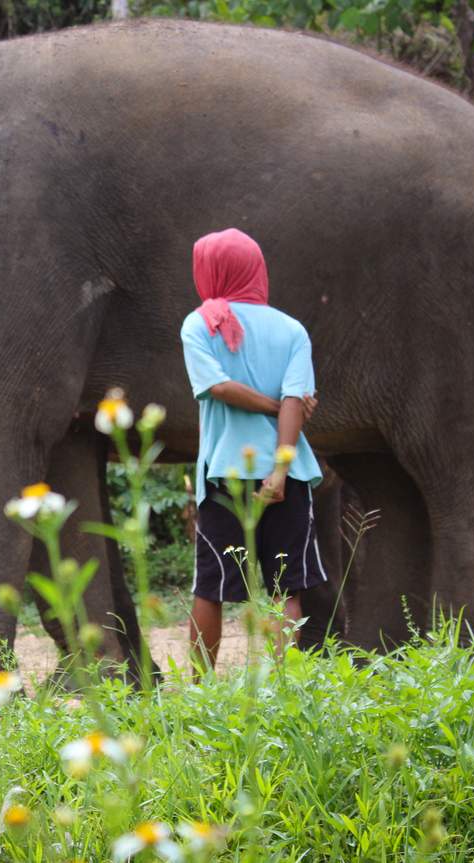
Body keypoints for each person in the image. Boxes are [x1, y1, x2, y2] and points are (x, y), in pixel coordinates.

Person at [179, 228, 324, 672]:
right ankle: (286, 689)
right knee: (286, 590)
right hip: (289, 476)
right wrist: (279, 471)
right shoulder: (292, 330)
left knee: (211, 589)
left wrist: (273, 403)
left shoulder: (198, 324)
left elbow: (217, 387)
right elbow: (296, 403)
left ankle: (199, 694)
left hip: (225, 475)